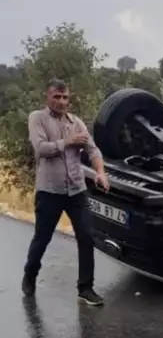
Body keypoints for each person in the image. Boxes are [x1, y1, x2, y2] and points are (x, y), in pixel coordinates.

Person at [22, 78, 109, 306]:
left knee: (87, 236)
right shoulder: (37, 118)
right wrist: (67, 142)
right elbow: (41, 149)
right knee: (42, 238)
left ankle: (85, 288)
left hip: (76, 191)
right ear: (47, 97)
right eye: (56, 97)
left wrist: (100, 172)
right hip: (49, 191)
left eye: (65, 97)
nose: (61, 102)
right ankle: (30, 275)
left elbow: (93, 149)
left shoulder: (76, 122)